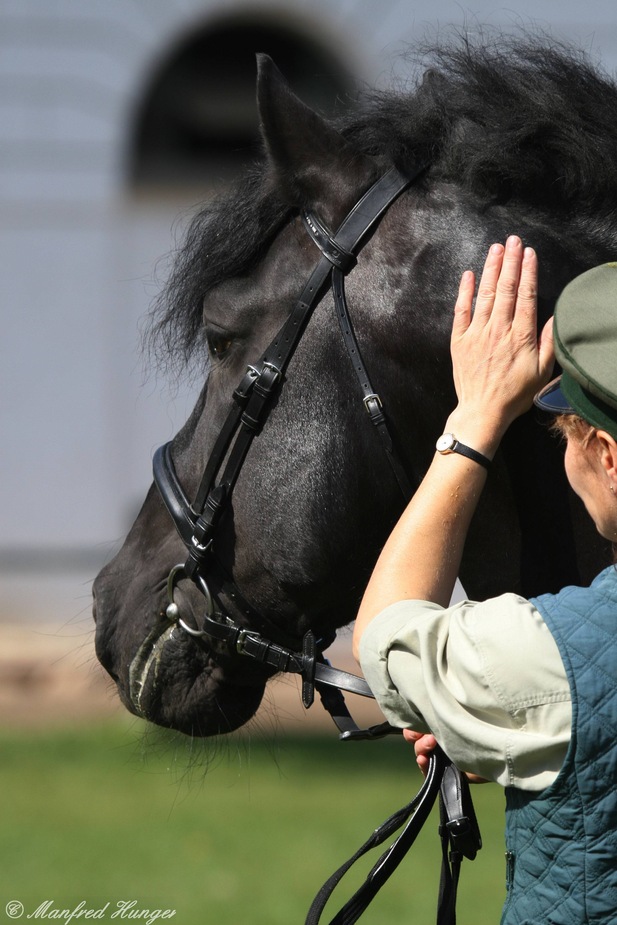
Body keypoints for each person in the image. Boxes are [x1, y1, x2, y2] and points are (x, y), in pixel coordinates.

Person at [352, 236, 617, 923]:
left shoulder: (548, 654)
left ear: (608, 457)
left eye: (567, 431)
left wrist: (474, 418)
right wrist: (514, 721)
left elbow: (388, 638)